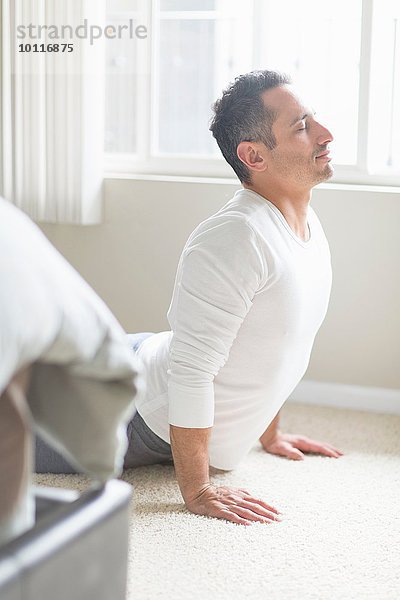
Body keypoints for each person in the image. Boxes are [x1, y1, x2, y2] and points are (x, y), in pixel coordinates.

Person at [36, 69, 344, 526]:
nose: (325, 133)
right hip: (124, 408)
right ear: (254, 155)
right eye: (301, 126)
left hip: (143, 355)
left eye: (312, 118)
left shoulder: (303, 224)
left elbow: (278, 342)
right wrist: (198, 490)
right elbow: (192, 371)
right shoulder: (236, 237)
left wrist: (269, 432)